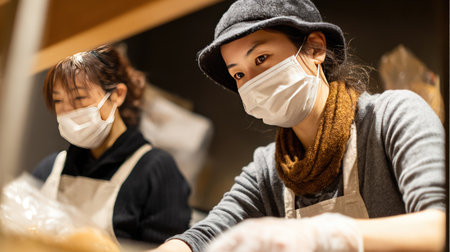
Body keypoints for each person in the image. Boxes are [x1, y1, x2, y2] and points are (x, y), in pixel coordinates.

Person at [152, 0, 446, 251]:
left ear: (315, 48)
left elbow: (439, 227)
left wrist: (328, 235)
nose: (252, 82)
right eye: (239, 74)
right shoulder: (267, 170)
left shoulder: (391, 118)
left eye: (261, 58)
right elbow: (202, 237)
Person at [32, 45, 191, 245]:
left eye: (79, 97)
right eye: (58, 100)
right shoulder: (51, 168)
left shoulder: (155, 170)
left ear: (117, 94)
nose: (68, 111)